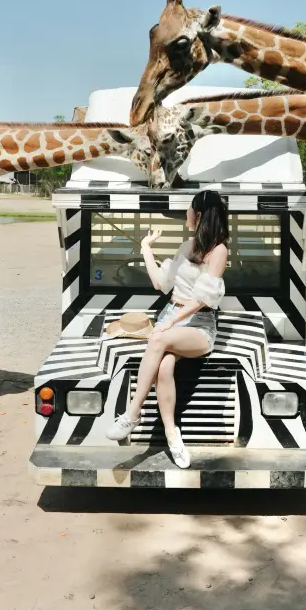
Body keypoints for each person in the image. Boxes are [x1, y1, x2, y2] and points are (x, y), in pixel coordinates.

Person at [106, 190, 229, 468]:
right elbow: (161, 283)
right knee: (164, 367)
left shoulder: (218, 250)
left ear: (198, 214)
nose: (185, 213)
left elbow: (202, 300)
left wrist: (171, 323)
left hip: (198, 325)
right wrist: (146, 248)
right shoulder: (187, 246)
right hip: (172, 316)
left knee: (158, 341)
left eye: (188, 209)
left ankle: (132, 414)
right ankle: (173, 436)